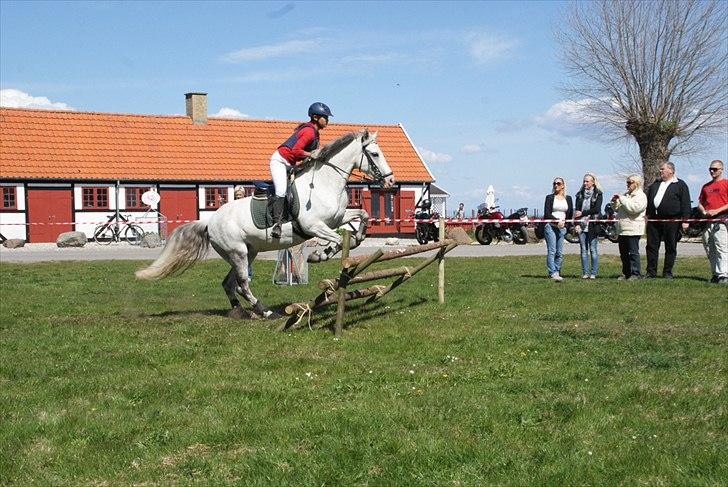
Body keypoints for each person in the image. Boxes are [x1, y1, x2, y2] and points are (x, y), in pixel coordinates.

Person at [269, 102, 332, 238]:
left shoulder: (315, 134)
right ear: (315, 117)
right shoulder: (309, 132)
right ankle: (276, 225)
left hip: (290, 164)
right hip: (280, 161)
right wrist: (311, 155)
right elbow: (296, 151)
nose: (327, 120)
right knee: (281, 191)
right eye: (325, 117)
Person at [645, 161, 691, 278]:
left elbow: (686, 204)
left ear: (671, 171)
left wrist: (685, 220)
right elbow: (649, 200)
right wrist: (647, 215)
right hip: (654, 220)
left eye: (663, 169)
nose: (660, 171)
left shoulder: (680, 185)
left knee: (670, 246)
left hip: (672, 220)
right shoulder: (655, 184)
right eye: (660, 169)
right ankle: (651, 272)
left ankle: (667, 272)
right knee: (651, 246)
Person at [612, 174, 647, 280]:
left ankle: (635, 273)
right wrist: (614, 202)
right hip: (622, 229)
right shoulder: (626, 195)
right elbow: (617, 209)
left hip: (633, 229)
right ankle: (626, 273)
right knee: (623, 253)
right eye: (627, 182)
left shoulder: (641, 196)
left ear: (636, 184)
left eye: (629, 182)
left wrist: (622, 199)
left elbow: (633, 209)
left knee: (633, 253)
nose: (627, 185)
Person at [698, 160, 728, 284]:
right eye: (710, 169)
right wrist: (704, 211)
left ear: (721, 169)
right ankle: (715, 273)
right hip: (708, 221)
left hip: (722, 220)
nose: (712, 171)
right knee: (710, 247)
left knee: (721, 246)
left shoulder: (726, 184)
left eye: (715, 169)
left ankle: (723, 274)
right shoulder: (706, 186)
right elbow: (700, 202)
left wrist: (717, 211)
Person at [543, 177, 573, 281]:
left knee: (559, 252)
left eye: (558, 183)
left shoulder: (568, 198)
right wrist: (556, 221)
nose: (556, 185)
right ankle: (553, 272)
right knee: (552, 251)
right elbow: (546, 213)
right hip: (550, 226)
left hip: (562, 228)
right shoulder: (550, 197)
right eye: (554, 183)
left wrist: (566, 227)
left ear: (563, 185)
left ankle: (557, 270)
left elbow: (569, 214)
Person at [574, 173, 603, 279]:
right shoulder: (579, 194)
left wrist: (583, 213)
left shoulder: (598, 194)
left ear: (593, 182)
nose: (585, 183)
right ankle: (585, 272)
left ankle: (593, 273)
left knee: (593, 249)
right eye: (584, 181)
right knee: (583, 250)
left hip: (592, 225)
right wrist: (576, 223)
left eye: (587, 181)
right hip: (581, 226)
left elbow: (597, 209)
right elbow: (576, 210)